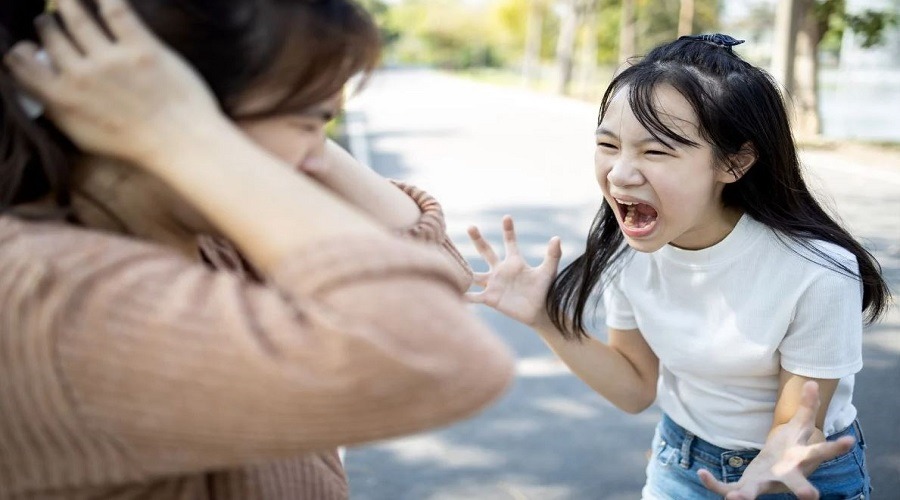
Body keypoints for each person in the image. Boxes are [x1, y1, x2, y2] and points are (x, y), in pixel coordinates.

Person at [0, 0, 514, 498]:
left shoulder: (210, 243)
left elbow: (442, 276)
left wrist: (257, 121)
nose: (319, 159)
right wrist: (187, 133)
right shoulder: (46, 294)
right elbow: (434, 351)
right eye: (309, 123)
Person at [467, 33, 890, 499]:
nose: (620, 174)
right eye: (609, 145)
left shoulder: (818, 269)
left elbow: (796, 426)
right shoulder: (628, 251)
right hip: (681, 461)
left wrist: (779, 456)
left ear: (734, 162)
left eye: (655, 151)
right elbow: (634, 388)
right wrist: (544, 319)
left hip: (798, 476)